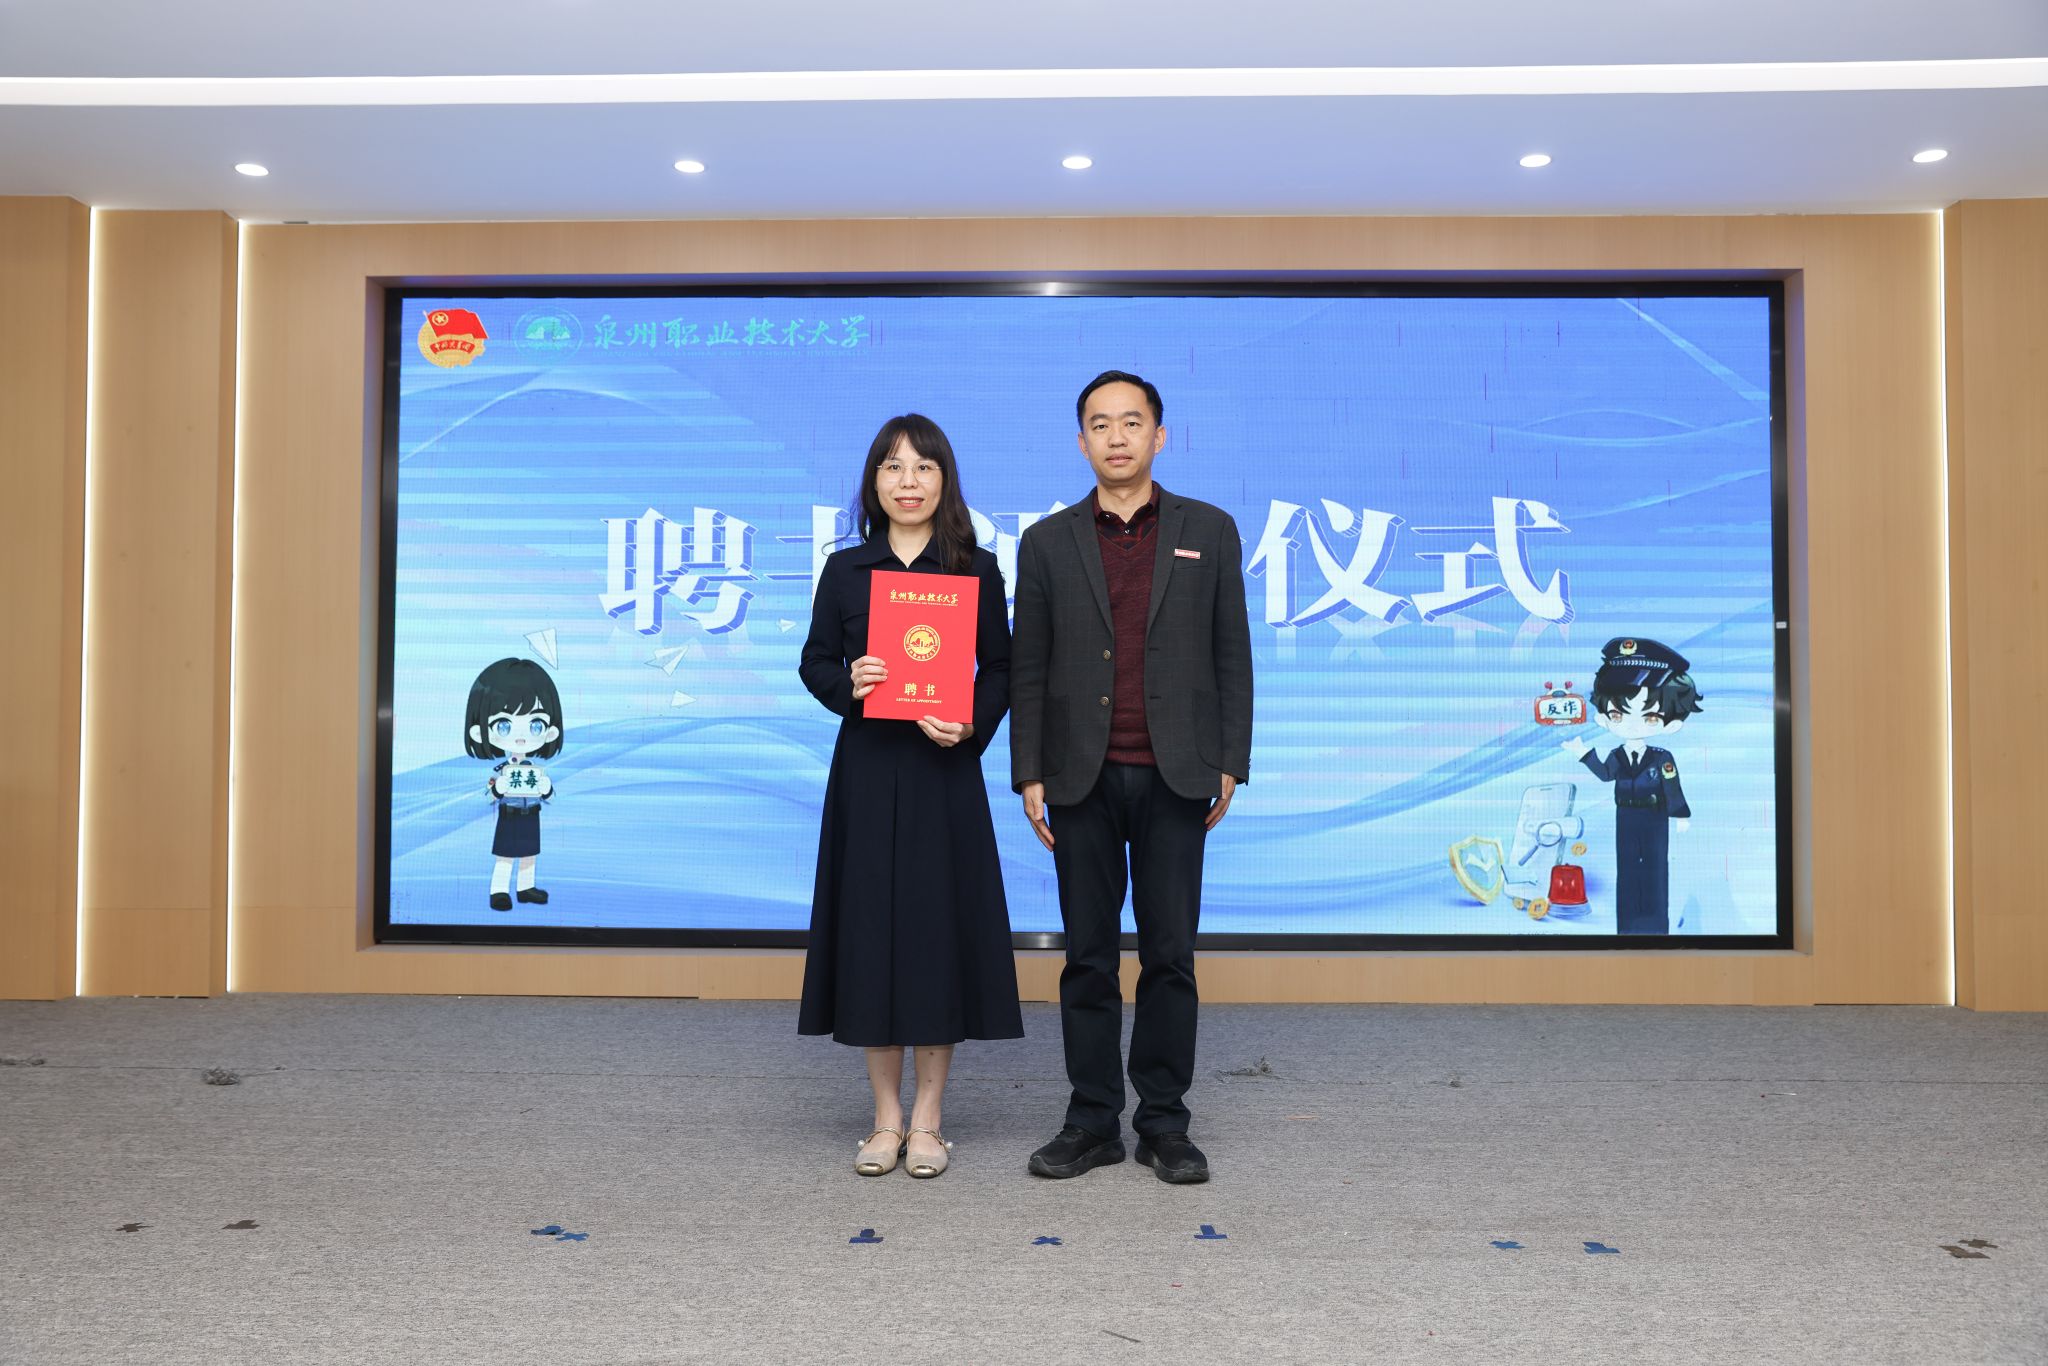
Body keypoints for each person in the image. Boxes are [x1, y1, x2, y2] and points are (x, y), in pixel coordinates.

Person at [1009, 370, 1253, 1185]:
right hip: (1079, 774)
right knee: (1086, 957)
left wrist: (1231, 759)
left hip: (1177, 772)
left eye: (1132, 422)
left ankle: (1164, 1123)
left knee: (1169, 955)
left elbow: (1231, 652)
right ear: (1081, 441)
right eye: (1100, 424)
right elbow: (1030, 666)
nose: (1117, 437)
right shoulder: (1047, 542)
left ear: (1160, 435)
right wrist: (1029, 770)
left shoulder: (1208, 530)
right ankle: (1091, 1121)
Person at [797, 414, 1021, 1179]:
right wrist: (850, 684)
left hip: (942, 773)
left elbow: (1002, 668)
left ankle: (929, 1118)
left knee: (934, 937)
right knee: (871, 937)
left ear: (944, 481)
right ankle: (884, 1119)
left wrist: (971, 723)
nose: (908, 481)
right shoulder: (845, 570)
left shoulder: (974, 569)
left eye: (923, 467)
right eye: (892, 467)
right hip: (867, 770)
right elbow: (814, 662)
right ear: (873, 483)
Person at [1560, 637, 1702, 935]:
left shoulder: (1662, 757)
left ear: (1671, 723)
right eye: (1617, 714)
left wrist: (1680, 815)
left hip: (1654, 817)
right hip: (1625, 816)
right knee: (1627, 869)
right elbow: (1605, 774)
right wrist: (1584, 754)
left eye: (1650, 716)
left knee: (1654, 868)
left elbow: (1672, 786)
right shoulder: (1616, 755)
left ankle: (1654, 927)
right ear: (1603, 718)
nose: (1632, 724)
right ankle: (1627, 927)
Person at [461, 657, 563, 911]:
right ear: (480, 732)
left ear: (550, 731)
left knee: (529, 855)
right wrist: (498, 788)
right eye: (504, 725)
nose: (520, 737)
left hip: (532, 815)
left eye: (536, 724)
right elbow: (488, 796)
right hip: (509, 815)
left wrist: (547, 789)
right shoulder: (500, 771)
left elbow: (551, 797)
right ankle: (499, 892)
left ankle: (525, 889)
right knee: (505, 856)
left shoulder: (535, 770)